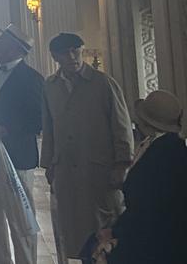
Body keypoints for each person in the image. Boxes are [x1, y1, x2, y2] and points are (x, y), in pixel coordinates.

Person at [39, 33, 132, 264]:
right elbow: (48, 126)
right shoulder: (50, 87)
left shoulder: (102, 83)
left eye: (76, 51)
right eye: (65, 53)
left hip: (97, 167)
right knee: (72, 229)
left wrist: (122, 163)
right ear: (55, 56)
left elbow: (120, 125)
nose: (72, 57)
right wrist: (49, 163)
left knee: (104, 228)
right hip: (66, 170)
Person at [92, 90, 187, 263]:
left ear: (146, 121)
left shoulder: (163, 155)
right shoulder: (167, 146)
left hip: (155, 245)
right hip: (160, 238)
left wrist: (116, 235)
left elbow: (146, 210)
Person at [0, 24, 44, 264]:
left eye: (0, 40)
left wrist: (6, 130)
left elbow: (38, 119)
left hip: (13, 153)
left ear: (13, 48)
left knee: (20, 217)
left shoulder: (30, 78)